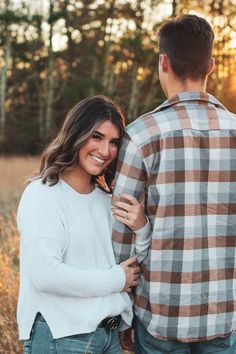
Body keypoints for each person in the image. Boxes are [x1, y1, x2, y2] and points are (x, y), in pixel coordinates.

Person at [112, 14, 236, 354]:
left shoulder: (140, 135)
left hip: (159, 316)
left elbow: (121, 234)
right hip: (222, 314)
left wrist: (122, 311)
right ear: (211, 65)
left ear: (163, 62)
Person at [17, 95, 150, 354]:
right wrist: (115, 280)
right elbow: (46, 275)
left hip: (110, 337)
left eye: (114, 142)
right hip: (62, 337)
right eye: (97, 137)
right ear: (76, 134)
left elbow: (132, 270)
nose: (105, 151)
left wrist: (142, 227)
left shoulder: (107, 201)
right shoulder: (43, 194)